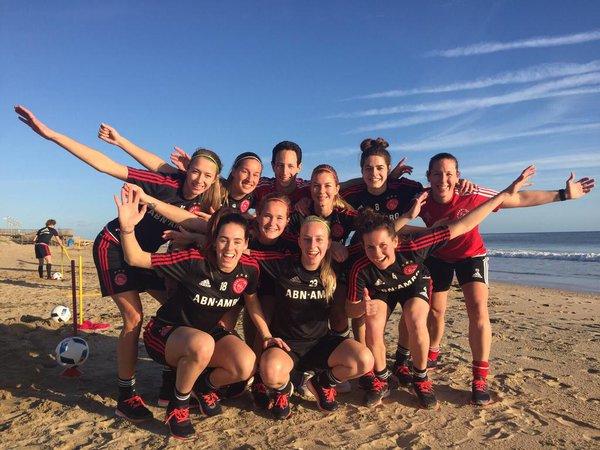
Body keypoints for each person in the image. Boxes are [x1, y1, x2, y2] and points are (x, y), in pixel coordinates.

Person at [15, 105, 222, 421]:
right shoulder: (165, 183)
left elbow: (203, 222)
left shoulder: (206, 201)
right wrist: (51, 134)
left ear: (214, 179)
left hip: (143, 255)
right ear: (186, 169)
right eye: (195, 171)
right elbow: (105, 165)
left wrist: (123, 140)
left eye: (207, 175)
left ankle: (173, 380)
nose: (199, 179)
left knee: (181, 310)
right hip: (113, 247)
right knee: (134, 318)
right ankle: (126, 396)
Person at [411, 153, 596, 405]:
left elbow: (516, 198)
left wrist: (562, 195)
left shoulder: (472, 193)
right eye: (437, 174)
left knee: (477, 309)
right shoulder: (421, 199)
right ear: (429, 176)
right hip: (439, 255)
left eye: (449, 174)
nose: (443, 179)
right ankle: (433, 351)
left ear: (458, 176)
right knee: (435, 311)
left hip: (470, 255)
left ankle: (479, 378)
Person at [347, 166, 535, 409]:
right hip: (383, 287)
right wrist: (362, 307)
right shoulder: (360, 266)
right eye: (370, 247)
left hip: (413, 282)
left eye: (383, 245)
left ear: (395, 240)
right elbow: (351, 311)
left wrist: (502, 195)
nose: (378, 253)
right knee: (372, 324)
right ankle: (382, 380)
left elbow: (464, 225)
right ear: (362, 246)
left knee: (415, 319)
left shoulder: (416, 245)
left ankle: (421, 377)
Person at [116, 192, 278, 439]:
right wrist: (127, 229)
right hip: (166, 333)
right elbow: (135, 258)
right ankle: (178, 405)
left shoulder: (249, 269)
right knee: (203, 344)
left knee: (246, 364)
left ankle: (204, 386)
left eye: (237, 241)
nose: (229, 248)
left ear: (246, 244)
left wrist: (266, 335)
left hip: (207, 333)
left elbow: (253, 302)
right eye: (223, 240)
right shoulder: (195, 261)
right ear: (213, 241)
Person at [252, 216, 374, 419]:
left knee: (364, 360)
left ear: (329, 243)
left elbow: (376, 243)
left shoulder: (335, 268)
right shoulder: (282, 265)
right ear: (299, 241)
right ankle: (283, 389)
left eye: (319, 240)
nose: (312, 245)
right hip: (286, 345)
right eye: (307, 239)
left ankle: (322, 383)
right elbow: (245, 254)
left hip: (320, 343)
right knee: (271, 373)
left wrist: (362, 307)